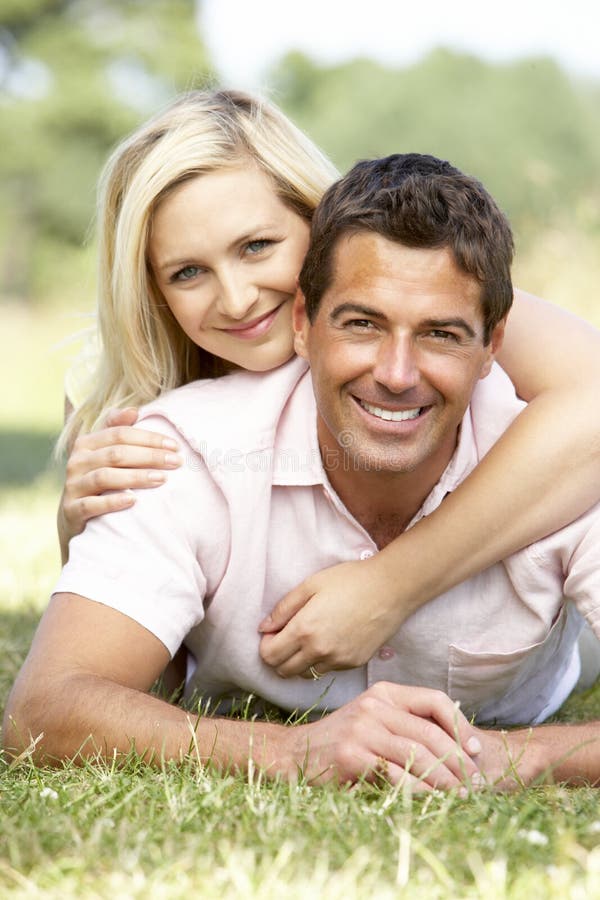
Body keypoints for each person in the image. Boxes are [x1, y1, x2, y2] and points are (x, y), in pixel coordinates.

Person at [5, 152, 600, 789]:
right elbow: (41, 712)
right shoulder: (177, 451)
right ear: (303, 321)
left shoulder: (552, 455)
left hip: (553, 663)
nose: (397, 375)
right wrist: (292, 753)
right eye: (361, 323)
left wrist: (517, 756)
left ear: (494, 347)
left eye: (441, 334)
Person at [55, 90, 600, 682]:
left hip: (520, 648)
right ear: (152, 288)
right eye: (188, 272)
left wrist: (389, 586)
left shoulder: (424, 294)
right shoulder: (130, 413)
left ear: (314, 222)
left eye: (257, 246)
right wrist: (74, 529)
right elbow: (148, 679)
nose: (237, 299)